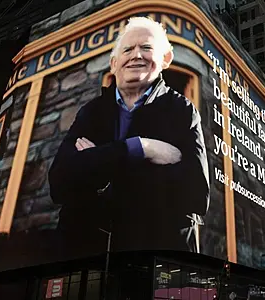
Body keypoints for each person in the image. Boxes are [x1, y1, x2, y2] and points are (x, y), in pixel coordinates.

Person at [48, 17, 210, 253]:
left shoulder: (182, 111)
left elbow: (196, 195)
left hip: (157, 260)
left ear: (166, 59)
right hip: (85, 256)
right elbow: (59, 184)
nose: (136, 55)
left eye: (146, 48)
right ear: (114, 64)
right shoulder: (91, 112)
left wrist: (97, 163)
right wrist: (142, 148)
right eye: (128, 49)